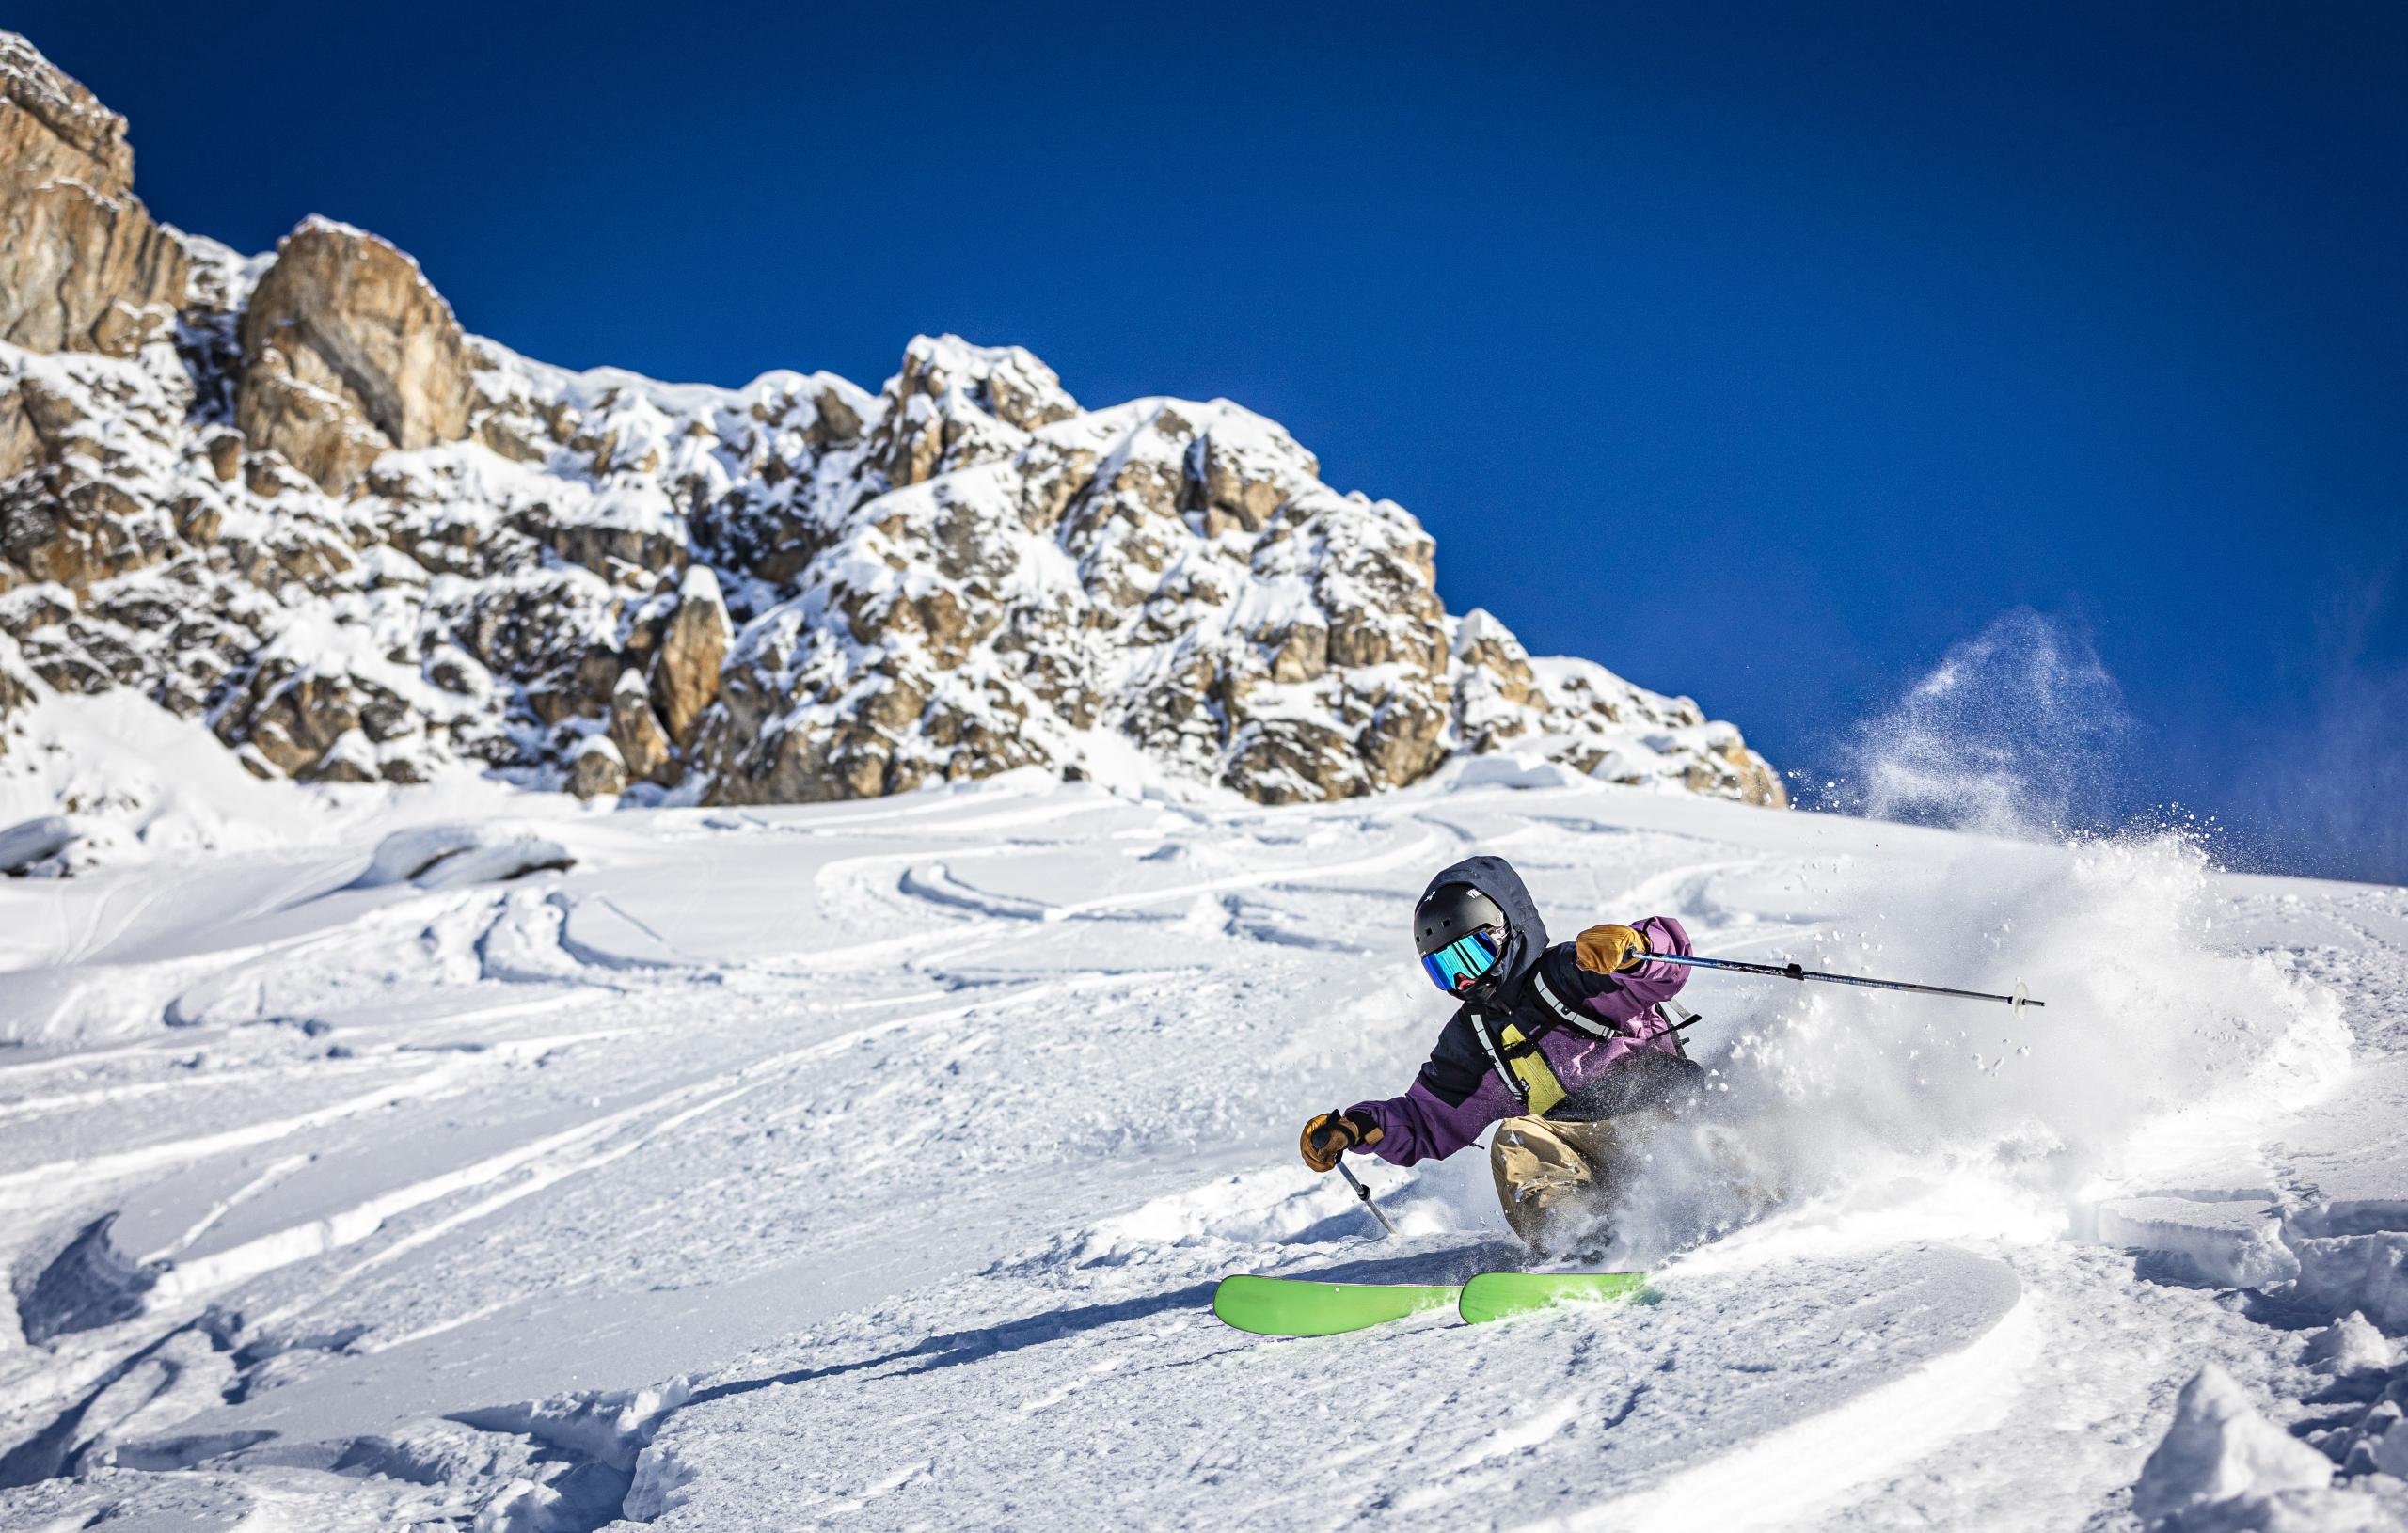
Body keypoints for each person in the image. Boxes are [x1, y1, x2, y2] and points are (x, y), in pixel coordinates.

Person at [1299, 855, 1703, 1255]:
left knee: (1521, 1132)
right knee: (1517, 1138)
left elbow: (1664, 970)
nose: (1463, 978)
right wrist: (1355, 1127)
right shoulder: (1473, 1040)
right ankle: (1582, 1246)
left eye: (1469, 956)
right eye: (1443, 969)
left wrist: (1634, 949)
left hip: (1667, 1121)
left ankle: (1742, 1188)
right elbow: (1427, 1119)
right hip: (1593, 1160)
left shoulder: (1568, 976)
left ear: (1504, 933)